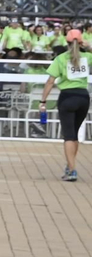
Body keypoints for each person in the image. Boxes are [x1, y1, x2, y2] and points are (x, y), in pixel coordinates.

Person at [38, 29, 89, 182]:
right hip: (83, 97)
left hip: (67, 97)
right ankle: (70, 165)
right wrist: (89, 47)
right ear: (81, 42)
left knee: (68, 135)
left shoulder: (60, 59)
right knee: (74, 135)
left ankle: (72, 170)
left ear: (66, 42)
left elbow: (50, 81)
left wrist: (43, 101)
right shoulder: (87, 57)